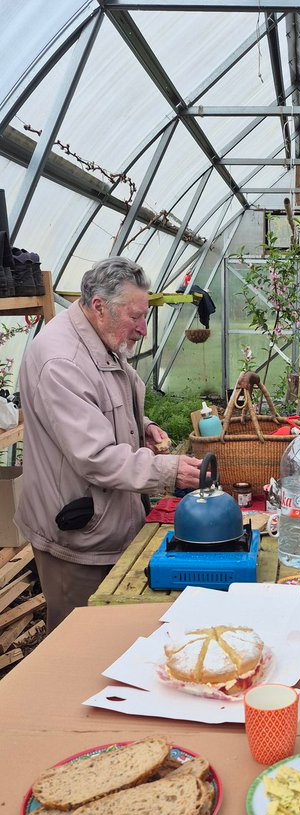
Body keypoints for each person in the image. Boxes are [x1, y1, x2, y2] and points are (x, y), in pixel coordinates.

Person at [15, 256, 202, 631]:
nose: (142, 330)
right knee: (79, 640)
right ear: (99, 306)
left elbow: (100, 406)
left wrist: (142, 424)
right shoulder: (61, 360)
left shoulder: (99, 336)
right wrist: (169, 471)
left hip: (106, 518)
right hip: (76, 533)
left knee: (112, 631)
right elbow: (95, 455)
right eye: (135, 317)